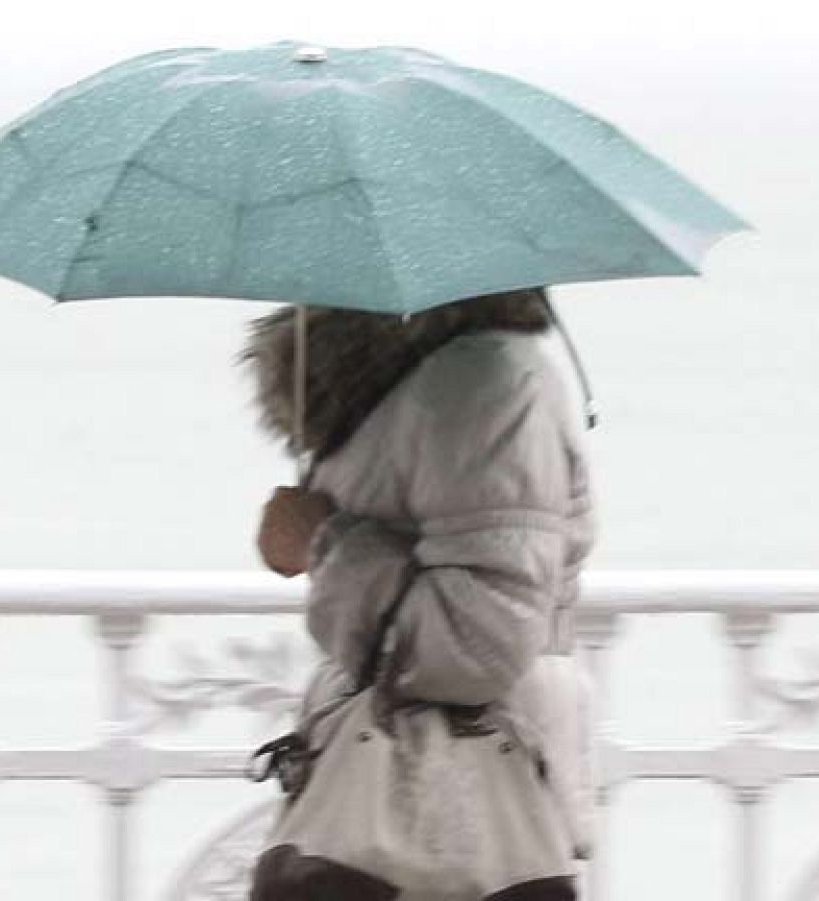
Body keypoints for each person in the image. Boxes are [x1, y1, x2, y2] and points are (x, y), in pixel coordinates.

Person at [243, 287, 597, 900]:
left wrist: (323, 543)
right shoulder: (401, 377)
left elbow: (478, 647)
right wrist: (315, 536)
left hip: (455, 788)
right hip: (396, 780)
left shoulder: (484, 380)